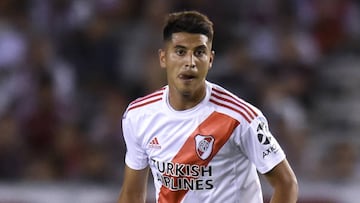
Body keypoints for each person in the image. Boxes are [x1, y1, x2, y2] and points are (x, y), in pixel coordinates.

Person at [117, 10, 298, 203]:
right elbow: (132, 194)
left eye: (199, 53)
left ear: (210, 60)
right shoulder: (138, 115)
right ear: (163, 58)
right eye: (180, 52)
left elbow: (286, 183)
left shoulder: (240, 117)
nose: (190, 62)